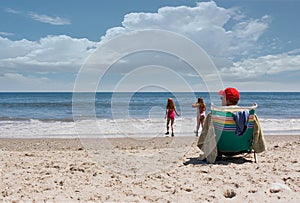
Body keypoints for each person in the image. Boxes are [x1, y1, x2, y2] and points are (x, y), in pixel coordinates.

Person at [197, 87, 266, 163]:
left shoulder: (214, 115)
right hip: (243, 148)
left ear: (226, 100)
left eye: (222, 98)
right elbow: (257, 133)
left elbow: (206, 135)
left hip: (221, 149)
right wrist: (257, 147)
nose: (221, 100)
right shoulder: (250, 115)